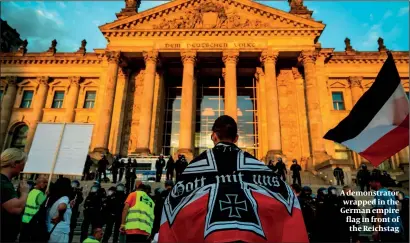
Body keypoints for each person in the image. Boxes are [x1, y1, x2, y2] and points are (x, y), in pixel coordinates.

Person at [158, 115, 308, 242]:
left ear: (213, 136)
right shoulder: (258, 167)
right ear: (236, 138)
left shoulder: (194, 168)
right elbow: (288, 203)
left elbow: (172, 210)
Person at [1, 148, 29, 242]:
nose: (23, 168)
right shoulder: (3, 183)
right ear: (14, 163)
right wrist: (24, 192)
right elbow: (15, 209)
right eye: (22, 164)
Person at [369, 169, 404, 242]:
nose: (369, 183)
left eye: (371, 182)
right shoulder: (389, 193)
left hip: (388, 228)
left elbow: (379, 213)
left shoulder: (379, 193)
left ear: (378, 183)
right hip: (397, 226)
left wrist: (376, 230)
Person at [20, 175, 48, 242]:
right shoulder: (40, 193)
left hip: (25, 218)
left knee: (24, 237)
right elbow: (42, 203)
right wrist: (46, 195)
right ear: (40, 183)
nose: (45, 184)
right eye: (44, 182)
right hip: (33, 218)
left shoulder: (31, 191)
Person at [46, 177, 73, 243]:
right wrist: (60, 216)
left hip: (51, 229)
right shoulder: (64, 197)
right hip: (61, 231)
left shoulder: (51, 197)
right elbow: (61, 207)